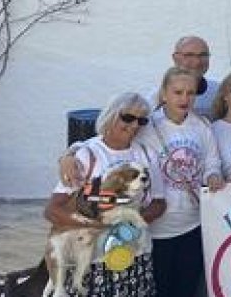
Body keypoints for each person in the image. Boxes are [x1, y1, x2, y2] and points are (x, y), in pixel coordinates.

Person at [49, 92, 165, 297]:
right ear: (111, 115)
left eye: (142, 120)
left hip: (135, 257)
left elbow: (159, 202)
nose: (135, 125)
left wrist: (131, 222)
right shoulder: (87, 154)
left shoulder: (147, 154)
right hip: (92, 262)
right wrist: (94, 224)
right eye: (128, 117)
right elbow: (53, 210)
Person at [140, 67, 224, 297]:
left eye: (190, 93)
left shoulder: (202, 126)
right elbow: (110, 139)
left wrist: (213, 176)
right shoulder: (146, 127)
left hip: (193, 224)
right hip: (156, 229)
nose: (185, 98)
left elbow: (211, 162)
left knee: (186, 289)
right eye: (178, 92)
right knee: (160, 290)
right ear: (164, 94)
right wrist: (72, 153)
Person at [146, 36, 219, 119]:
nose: (197, 61)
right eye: (189, 55)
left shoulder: (219, 91)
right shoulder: (155, 98)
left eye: (203, 55)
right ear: (175, 58)